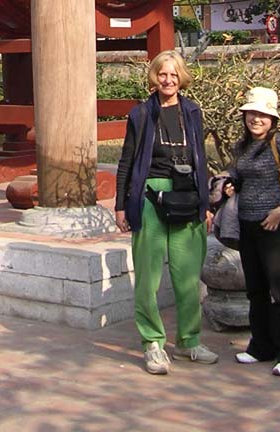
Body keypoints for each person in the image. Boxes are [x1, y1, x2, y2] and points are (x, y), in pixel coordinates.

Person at [115, 50, 217, 375]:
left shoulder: (192, 112)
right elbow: (126, 162)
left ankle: (189, 340)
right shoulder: (142, 114)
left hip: (187, 195)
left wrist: (206, 203)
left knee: (187, 274)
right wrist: (120, 204)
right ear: (154, 77)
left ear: (181, 77)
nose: (168, 80)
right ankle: (153, 343)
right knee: (148, 275)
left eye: (173, 75)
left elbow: (200, 157)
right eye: (162, 74)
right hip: (149, 196)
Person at [224, 86, 280, 377]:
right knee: (255, 289)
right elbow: (238, 174)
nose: (256, 119)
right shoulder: (242, 146)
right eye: (251, 114)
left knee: (279, 289)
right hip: (247, 223)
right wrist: (229, 184)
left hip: (273, 225)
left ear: (272, 120)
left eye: (262, 115)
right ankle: (261, 346)